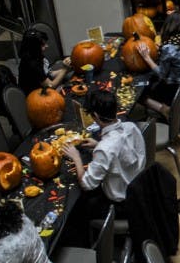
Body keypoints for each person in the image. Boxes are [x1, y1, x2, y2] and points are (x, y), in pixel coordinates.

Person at [62, 90, 146, 223]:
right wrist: (98, 144)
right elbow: (122, 152)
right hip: (139, 188)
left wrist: (76, 158)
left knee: (79, 207)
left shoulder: (105, 149)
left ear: (95, 116)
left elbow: (86, 184)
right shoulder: (131, 127)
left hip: (122, 205)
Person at [133, 11, 180, 118]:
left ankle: (164, 109)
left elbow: (161, 73)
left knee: (139, 93)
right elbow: (177, 55)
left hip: (172, 89)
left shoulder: (168, 48)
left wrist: (147, 58)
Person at [17, 28, 68, 95]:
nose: (47, 46)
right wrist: (65, 69)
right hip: (37, 96)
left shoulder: (35, 54)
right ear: (34, 47)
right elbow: (51, 86)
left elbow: (49, 74)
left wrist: (67, 67)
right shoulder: (32, 64)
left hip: (43, 85)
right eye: (43, 45)